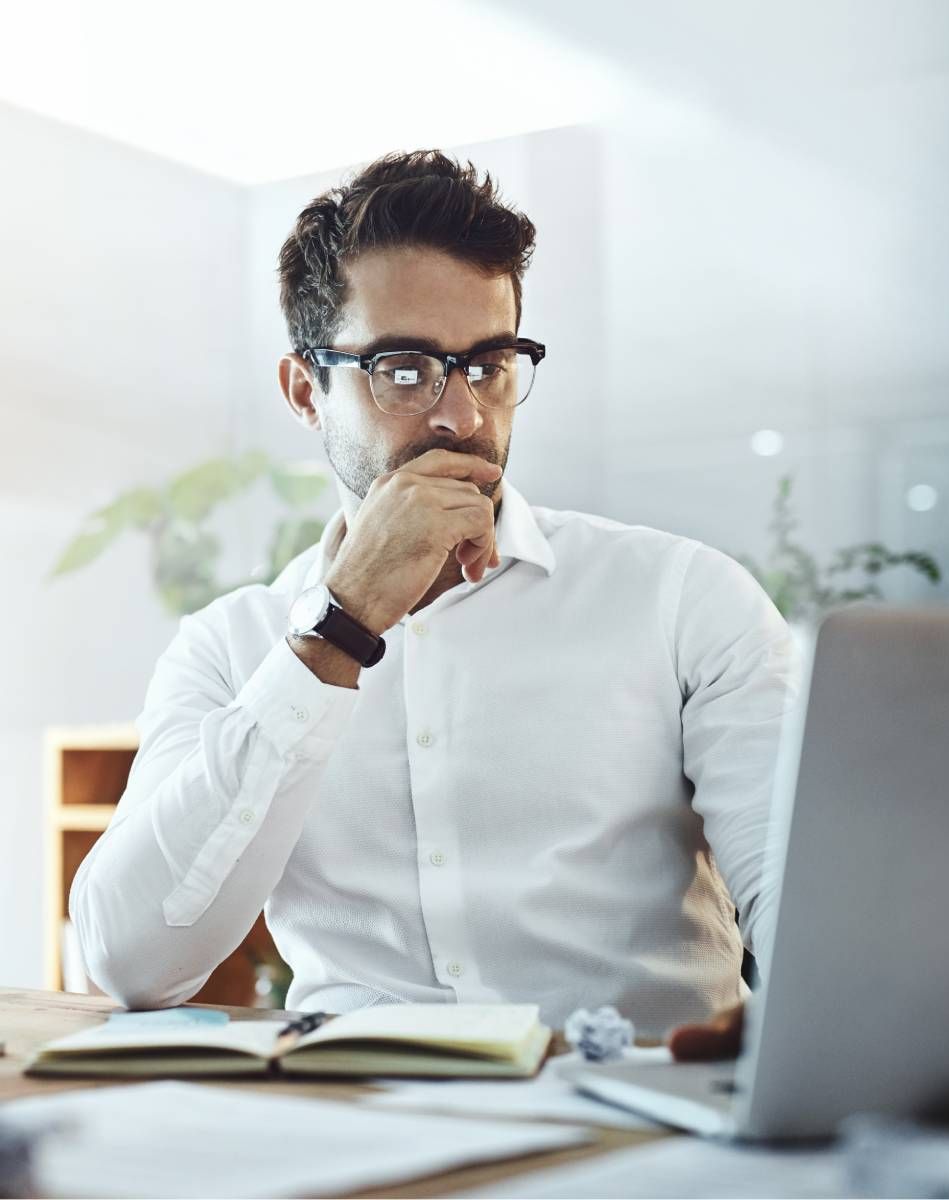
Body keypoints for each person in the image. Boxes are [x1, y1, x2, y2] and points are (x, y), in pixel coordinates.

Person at [69, 150, 795, 1038]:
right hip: (358, 1128)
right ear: (306, 391)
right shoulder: (230, 646)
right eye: (403, 370)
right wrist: (339, 626)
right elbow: (135, 961)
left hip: (629, 1123)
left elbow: (804, 908)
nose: (463, 417)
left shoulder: (682, 598)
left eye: (489, 363)